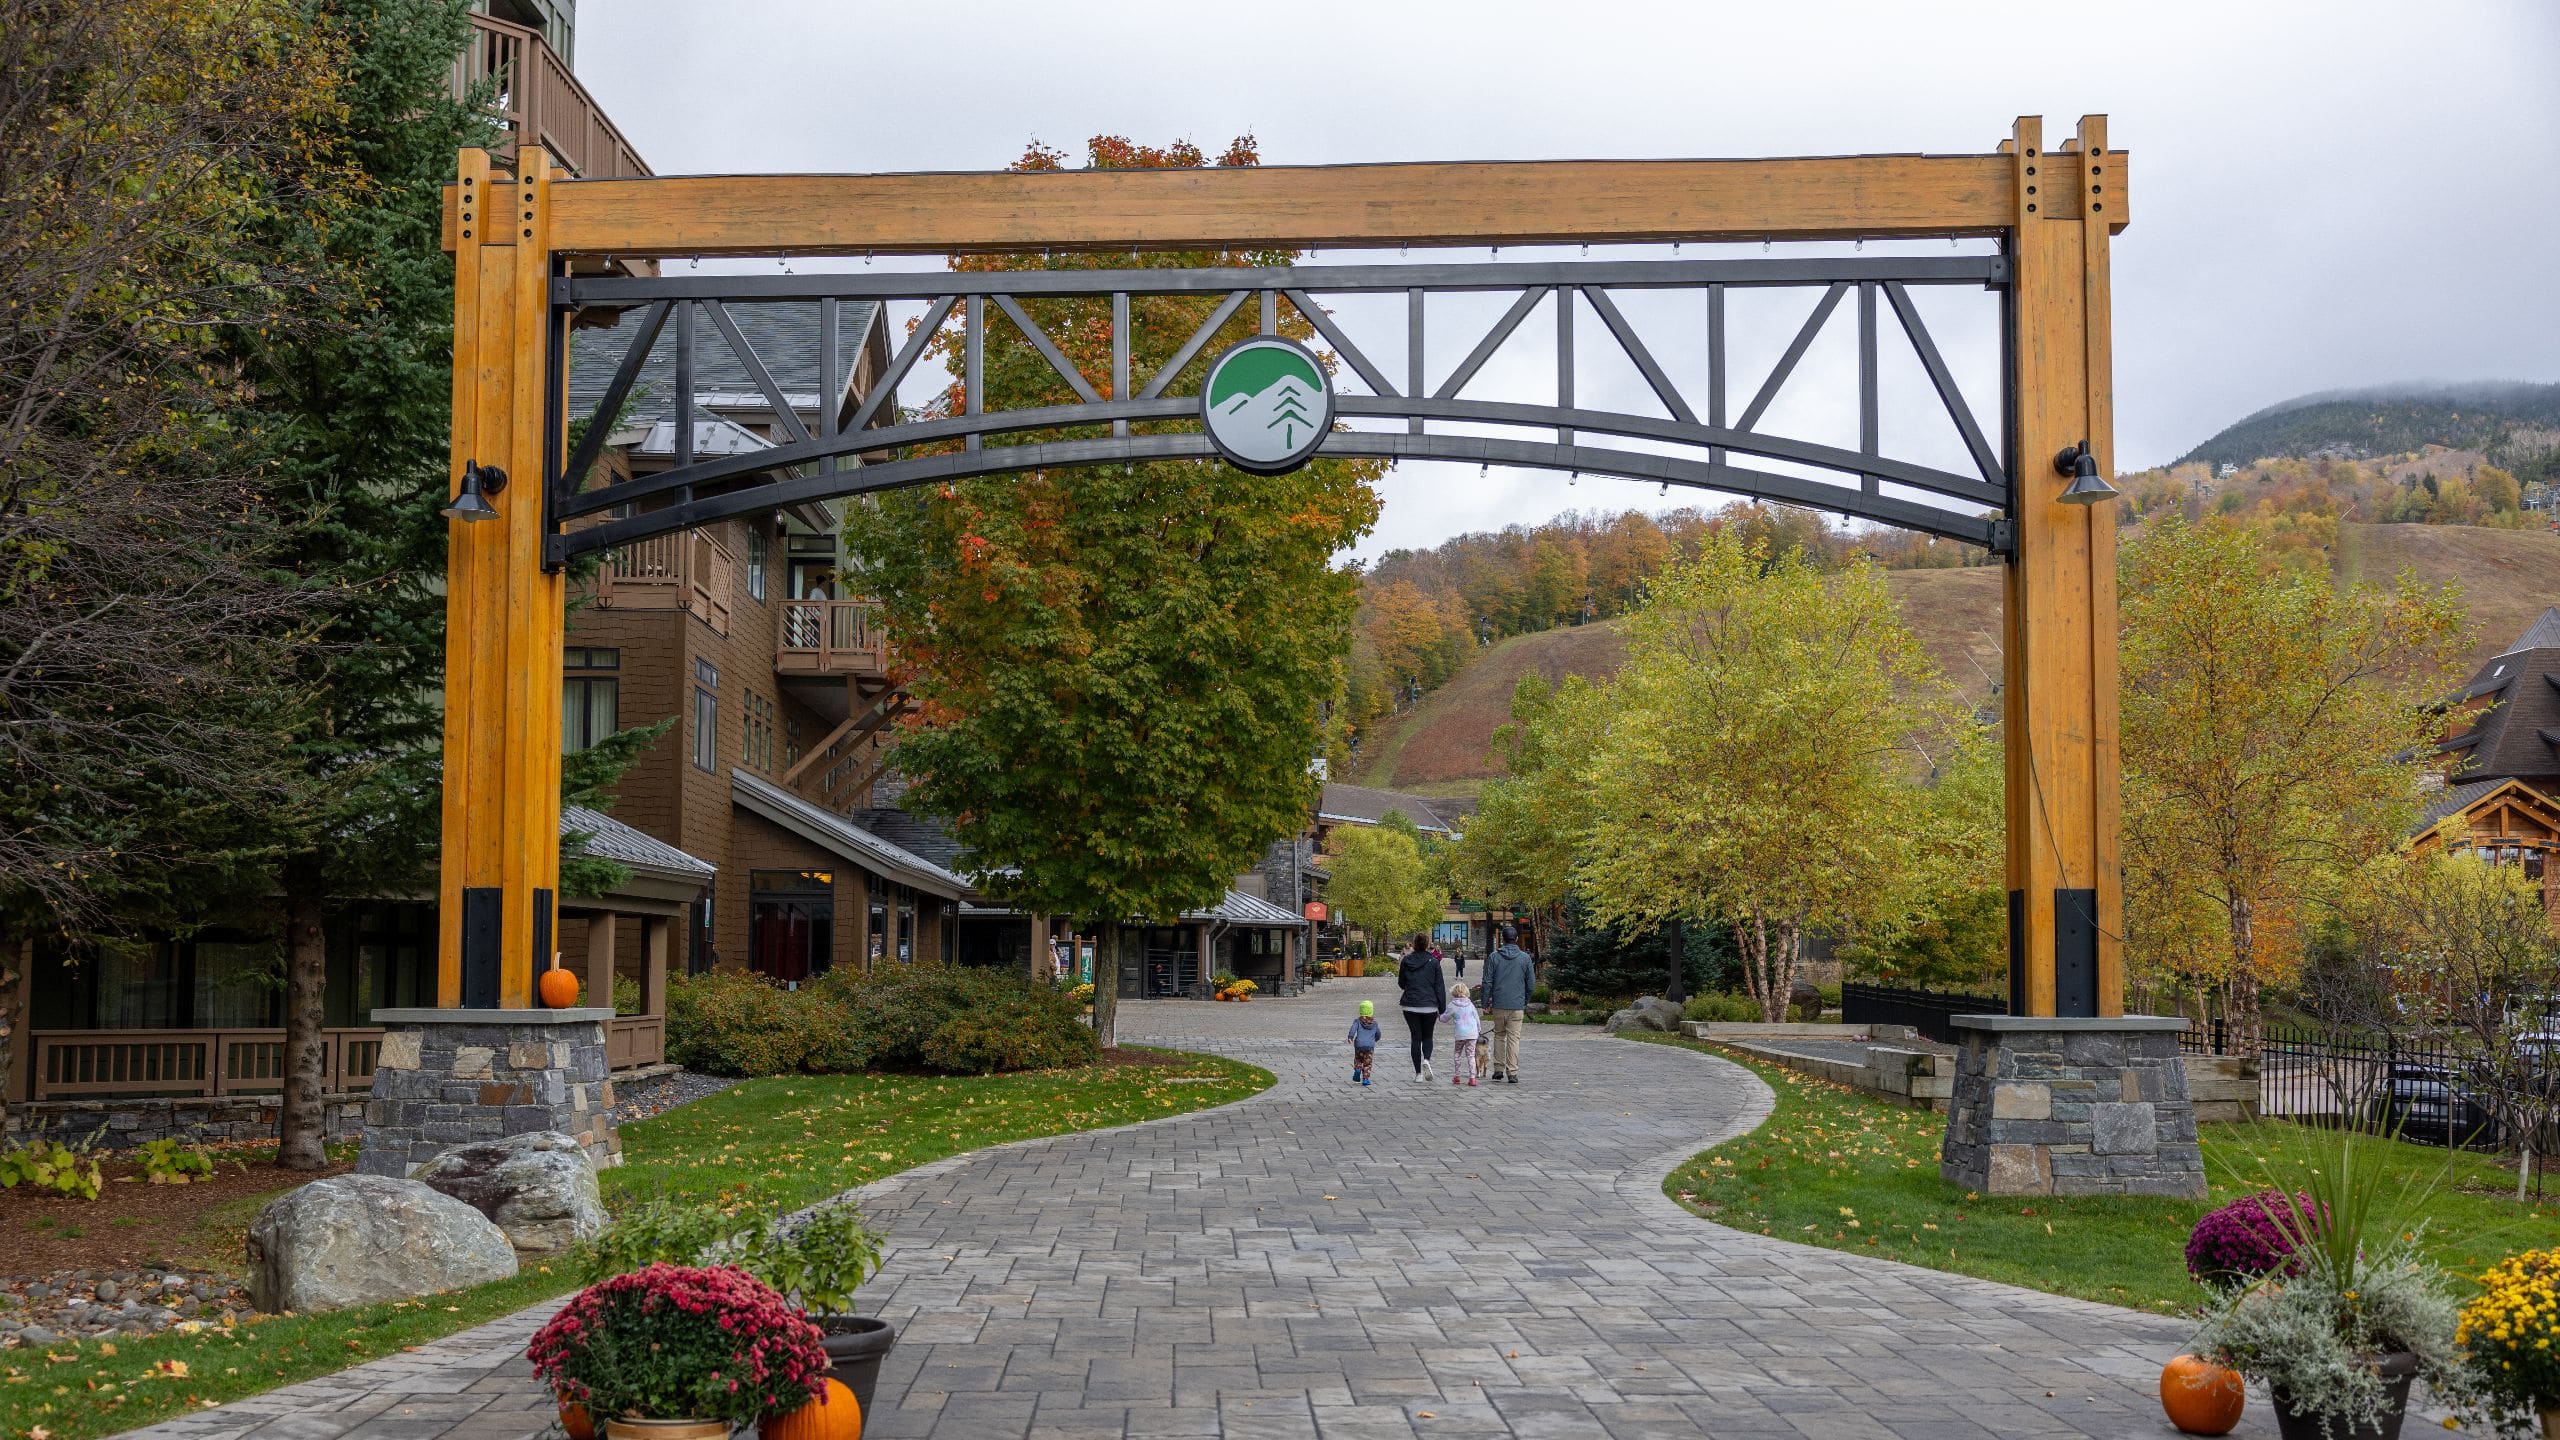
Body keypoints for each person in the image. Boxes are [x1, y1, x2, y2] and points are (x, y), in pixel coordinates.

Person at [1479, 923, 1536, 1085]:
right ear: (1516, 939)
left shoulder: (1494, 957)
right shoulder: (1525, 958)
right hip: (1517, 1004)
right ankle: (1512, 1071)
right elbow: (1531, 983)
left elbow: (1487, 981)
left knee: (1499, 1035)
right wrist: (1524, 1000)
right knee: (1514, 1038)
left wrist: (1485, 1002)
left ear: (1502, 939)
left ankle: (1498, 1069)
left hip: (1499, 1003)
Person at [1396, 932, 1448, 1082]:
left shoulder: (1407, 960)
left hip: (1410, 1004)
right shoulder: (1434, 962)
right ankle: (1427, 1059)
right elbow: (1439, 987)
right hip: (1429, 1005)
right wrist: (1442, 1008)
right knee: (1428, 1036)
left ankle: (1418, 1074)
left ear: (1414, 944)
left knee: (1415, 1038)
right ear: (1427, 944)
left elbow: (1401, 983)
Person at [1444, 983, 1482, 1087]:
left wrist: (1439, 1016)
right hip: (1472, 1034)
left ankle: (1457, 1076)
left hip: (1460, 1034)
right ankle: (1472, 1078)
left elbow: (1445, 1018)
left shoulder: (1452, 1005)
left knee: (1457, 1053)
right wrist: (1479, 1030)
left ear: (1454, 993)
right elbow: (1477, 1018)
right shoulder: (1470, 1004)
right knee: (1471, 1055)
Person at [1347, 999, 1381, 1086]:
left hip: (1359, 1045)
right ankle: (1365, 1079)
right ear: (1371, 1011)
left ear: (1360, 1011)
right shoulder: (1375, 1023)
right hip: (1369, 1046)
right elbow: (1378, 1034)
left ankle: (1357, 1070)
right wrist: (1375, 1040)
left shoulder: (1357, 1021)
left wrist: (1350, 1037)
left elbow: (1353, 1029)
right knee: (1367, 1063)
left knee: (1358, 1059)